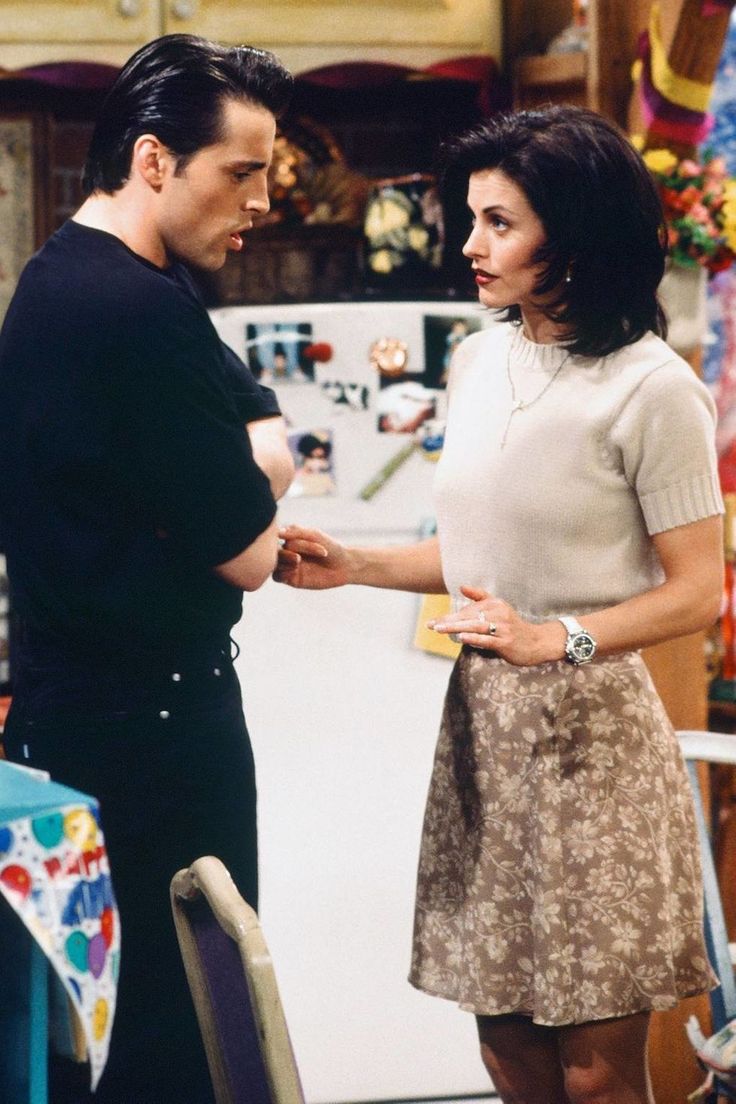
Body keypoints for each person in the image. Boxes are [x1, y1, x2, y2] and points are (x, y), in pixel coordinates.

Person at [274, 105, 724, 1104]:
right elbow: (478, 557)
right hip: (484, 735)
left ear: (574, 232)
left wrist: (557, 637)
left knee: (597, 1072)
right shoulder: (479, 361)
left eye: (498, 223)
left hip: (594, 743)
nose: (468, 246)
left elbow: (698, 592)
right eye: (469, 218)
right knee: (505, 1048)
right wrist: (353, 562)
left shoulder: (653, 390)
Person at [0, 34, 295, 1104]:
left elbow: (249, 408)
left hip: (74, 724)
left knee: (98, 1037)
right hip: (154, 738)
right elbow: (252, 550)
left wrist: (258, 445)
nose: (262, 199)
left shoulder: (68, 274)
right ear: (156, 159)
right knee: (180, 1042)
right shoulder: (133, 310)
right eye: (243, 171)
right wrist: (268, 461)